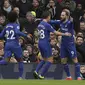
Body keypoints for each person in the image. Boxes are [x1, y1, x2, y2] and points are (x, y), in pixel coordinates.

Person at [33, 11, 71, 79]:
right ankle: (41, 75)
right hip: (45, 43)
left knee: (44, 59)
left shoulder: (40, 24)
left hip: (40, 43)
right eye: (49, 16)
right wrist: (65, 34)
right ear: (48, 16)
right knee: (50, 60)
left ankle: (36, 71)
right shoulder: (47, 24)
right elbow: (55, 32)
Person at [50, 9, 81, 80]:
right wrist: (45, 21)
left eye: (63, 15)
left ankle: (78, 76)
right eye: (61, 15)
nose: (61, 16)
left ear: (67, 16)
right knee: (63, 60)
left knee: (75, 60)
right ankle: (69, 76)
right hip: (63, 44)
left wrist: (72, 19)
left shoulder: (70, 23)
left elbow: (75, 23)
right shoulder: (60, 22)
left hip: (70, 44)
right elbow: (53, 21)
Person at [0, 11, 31, 79]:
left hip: (7, 44)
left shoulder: (6, 26)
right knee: (20, 60)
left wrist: (6, 37)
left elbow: (1, 35)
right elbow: (17, 32)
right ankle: (20, 77)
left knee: (5, 61)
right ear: (16, 18)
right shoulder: (16, 25)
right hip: (15, 44)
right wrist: (26, 35)